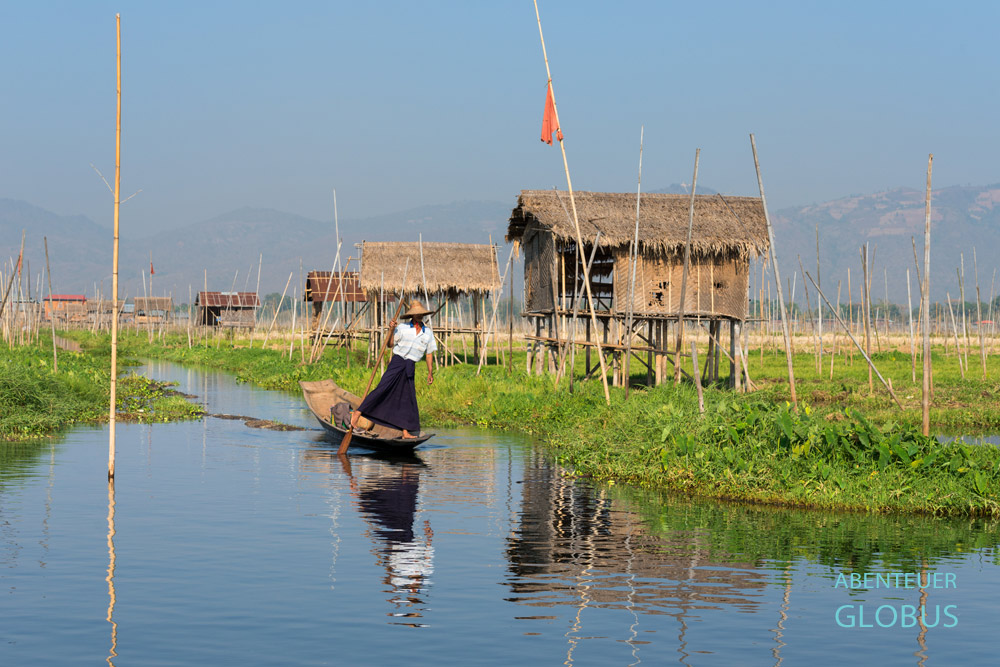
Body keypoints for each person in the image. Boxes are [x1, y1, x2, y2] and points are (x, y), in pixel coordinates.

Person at [351, 301, 437, 438]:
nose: (419, 315)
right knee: (382, 388)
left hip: (410, 366)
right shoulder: (402, 328)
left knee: (407, 398)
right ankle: (358, 413)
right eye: (417, 314)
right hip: (398, 362)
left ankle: (405, 431)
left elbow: (429, 354)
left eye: (421, 313)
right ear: (413, 315)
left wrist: (430, 372)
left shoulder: (428, 333)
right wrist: (391, 330)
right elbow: (390, 344)